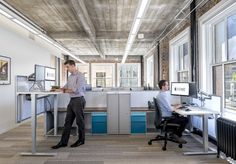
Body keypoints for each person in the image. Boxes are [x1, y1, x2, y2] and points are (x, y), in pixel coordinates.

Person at [52, 60, 86, 149]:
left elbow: (76, 90)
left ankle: (81, 140)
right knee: (67, 122)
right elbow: (66, 86)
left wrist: (63, 90)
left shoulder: (80, 76)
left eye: (67, 67)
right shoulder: (70, 76)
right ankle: (63, 142)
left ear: (73, 66)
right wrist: (58, 89)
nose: (67, 69)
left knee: (79, 122)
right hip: (72, 100)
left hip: (79, 100)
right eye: (66, 67)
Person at [156, 80, 188, 144]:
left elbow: (167, 106)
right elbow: (170, 109)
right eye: (167, 85)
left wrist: (175, 106)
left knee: (179, 116)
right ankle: (176, 135)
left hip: (165, 116)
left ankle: (173, 134)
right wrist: (178, 106)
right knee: (185, 119)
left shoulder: (161, 94)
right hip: (166, 117)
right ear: (163, 86)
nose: (168, 86)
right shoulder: (163, 96)